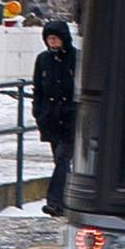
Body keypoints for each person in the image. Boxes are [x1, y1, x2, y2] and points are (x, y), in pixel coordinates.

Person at [33, 20, 78, 216]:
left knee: (62, 158)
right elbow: (38, 88)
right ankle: (67, 200)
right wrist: (39, 112)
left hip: (70, 118)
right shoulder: (43, 60)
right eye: (49, 38)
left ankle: (55, 201)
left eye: (55, 38)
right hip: (51, 118)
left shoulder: (75, 58)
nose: (52, 42)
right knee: (60, 160)